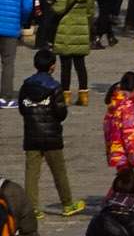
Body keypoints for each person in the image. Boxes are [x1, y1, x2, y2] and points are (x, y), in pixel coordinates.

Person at [22, 47, 84, 216]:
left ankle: (31, 208)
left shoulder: (26, 85)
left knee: (32, 173)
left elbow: (22, 108)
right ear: (52, 66)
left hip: (32, 134)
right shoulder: (55, 87)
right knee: (59, 171)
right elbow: (61, 113)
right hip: (52, 135)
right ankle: (67, 203)